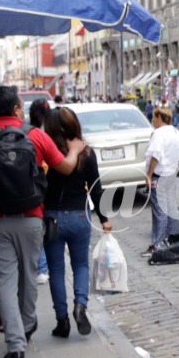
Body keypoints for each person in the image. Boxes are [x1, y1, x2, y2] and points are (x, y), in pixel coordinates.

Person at [0, 86, 86, 358]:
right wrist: (74, 149)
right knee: (29, 275)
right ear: (16, 109)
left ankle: (16, 346)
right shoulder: (35, 136)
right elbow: (65, 168)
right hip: (31, 218)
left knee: (3, 281)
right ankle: (26, 324)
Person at [42, 107, 111, 338]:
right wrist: (104, 218)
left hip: (52, 217)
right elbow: (96, 189)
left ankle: (62, 320)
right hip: (80, 216)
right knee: (80, 265)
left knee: (56, 269)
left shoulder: (46, 154)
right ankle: (80, 306)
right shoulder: (86, 153)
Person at [144, 105, 179, 255]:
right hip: (171, 174)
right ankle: (171, 240)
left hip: (159, 175)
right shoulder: (175, 132)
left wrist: (148, 174)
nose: (153, 120)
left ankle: (157, 244)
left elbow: (156, 155)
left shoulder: (159, 133)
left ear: (159, 118)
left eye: (154, 117)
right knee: (170, 208)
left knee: (159, 211)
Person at [28, 98, 52, 284]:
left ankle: (41, 267)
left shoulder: (29, 133)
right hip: (45, 187)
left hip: (33, 187)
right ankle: (43, 267)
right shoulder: (49, 134)